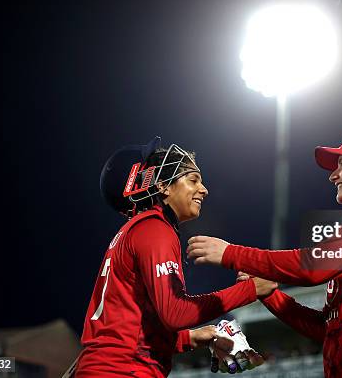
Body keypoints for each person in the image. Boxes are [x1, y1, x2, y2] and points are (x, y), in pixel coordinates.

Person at [187, 130, 342, 378]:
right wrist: (272, 295)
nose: (333, 175)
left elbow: (314, 265)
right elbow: (327, 329)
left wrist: (231, 253)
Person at [75, 137, 275, 377]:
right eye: (193, 179)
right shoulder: (154, 228)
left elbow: (133, 331)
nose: (204, 189)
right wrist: (251, 289)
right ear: (162, 186)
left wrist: (193, 336)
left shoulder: (135, 230)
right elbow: (175, 314)